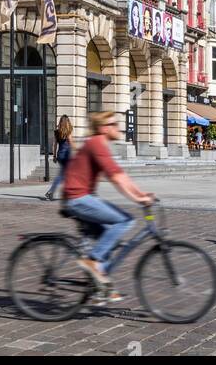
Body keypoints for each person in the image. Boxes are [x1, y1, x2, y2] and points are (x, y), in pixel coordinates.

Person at [62, 110, 155, 298]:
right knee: (125, 221)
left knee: (108, 236)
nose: (118, 128)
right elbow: (116, 178)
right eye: (114, 124)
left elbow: (121, 175)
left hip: (82, 197)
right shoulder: (97, 143)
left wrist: (141, 194)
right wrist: (137, 199)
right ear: (104, 128)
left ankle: (99, 284)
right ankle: (93, 263)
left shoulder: (99, 143)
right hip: (77, 198)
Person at [45, 115, 75, 200]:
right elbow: (71, 143)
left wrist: (54, 156)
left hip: (60, 155)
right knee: (62, 175)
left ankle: (69, 193)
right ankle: (50, 192)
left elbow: (54, 145)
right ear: (67, 122)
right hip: (67, 155)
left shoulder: (56, 132)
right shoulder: (68, 131)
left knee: (66, 174)